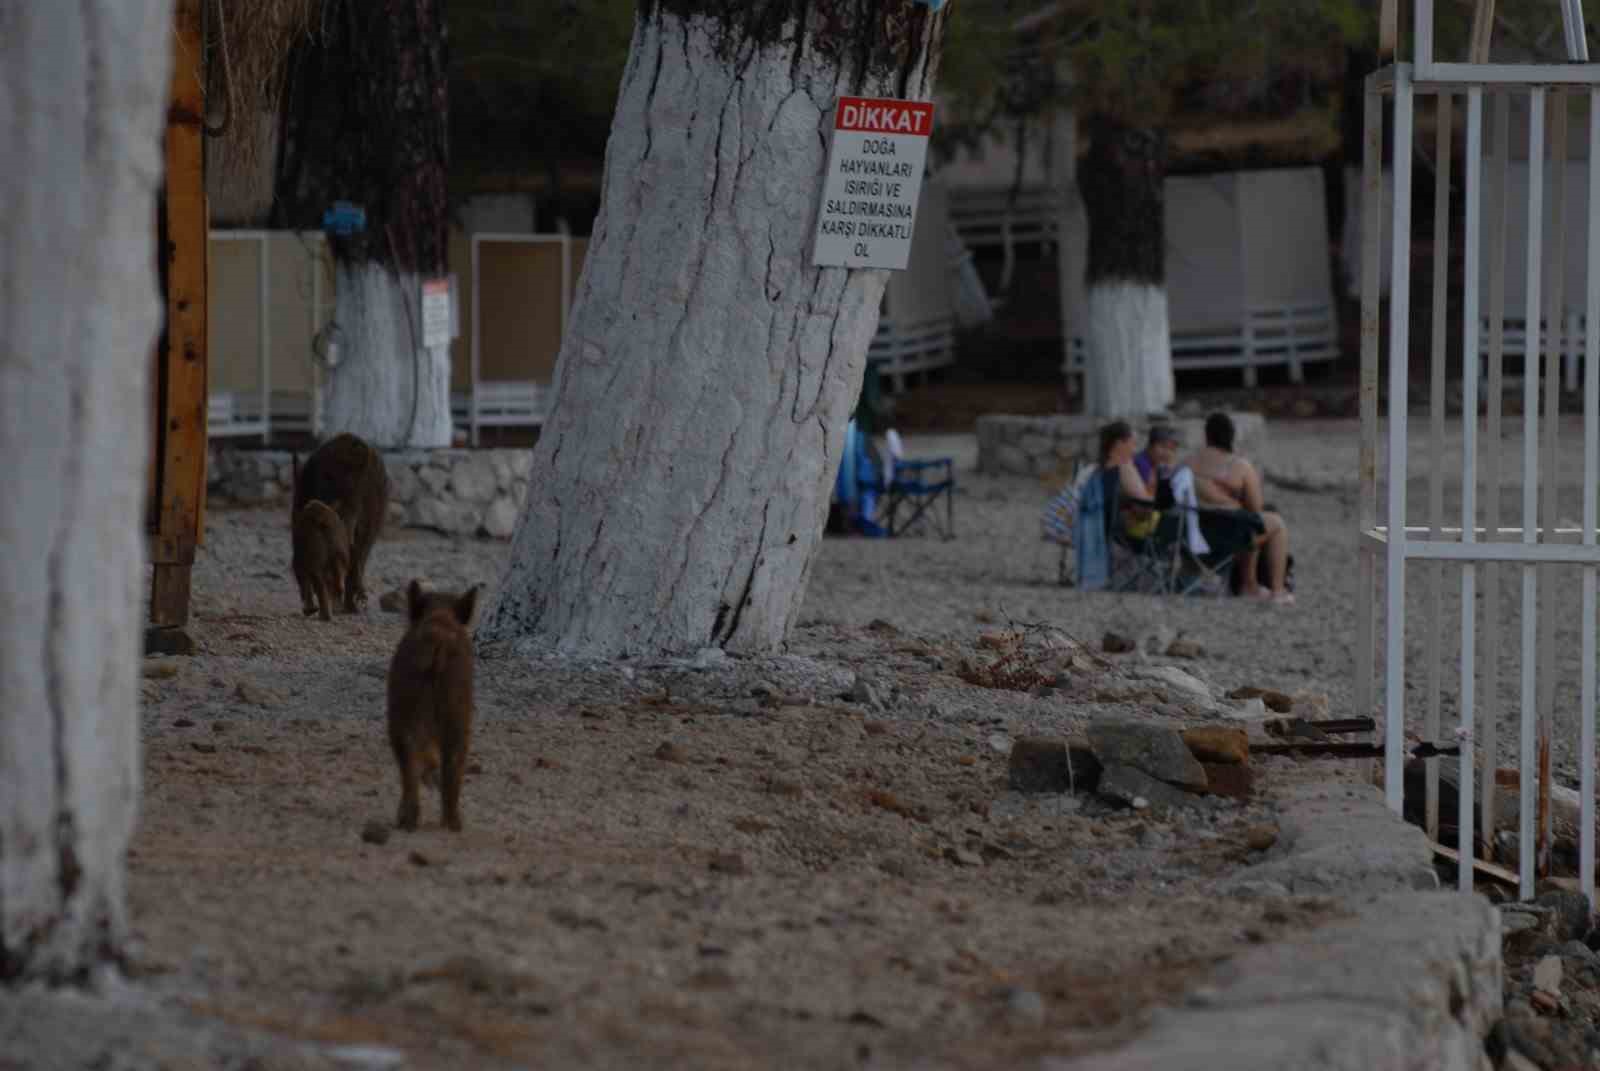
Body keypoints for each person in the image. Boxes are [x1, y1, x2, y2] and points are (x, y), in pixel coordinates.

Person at [1187, 412, 1294, 605]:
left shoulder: (1188, 463)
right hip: (1230, 538)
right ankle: (1275, 590)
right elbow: (1255, 508)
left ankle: (1249, 583)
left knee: (1245, 524)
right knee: (1274, 524)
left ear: (1206, 435)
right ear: (1231, 436)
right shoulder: (1239, 466)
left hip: (1193, 537)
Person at [1099, 421, 1160, 540]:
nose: (1135, 449)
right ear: (1119, 444)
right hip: (1114, 526)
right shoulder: (1123, 465)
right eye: (1133, 443)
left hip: (1099, 521)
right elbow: (1143, 499)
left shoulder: (1100, 464)